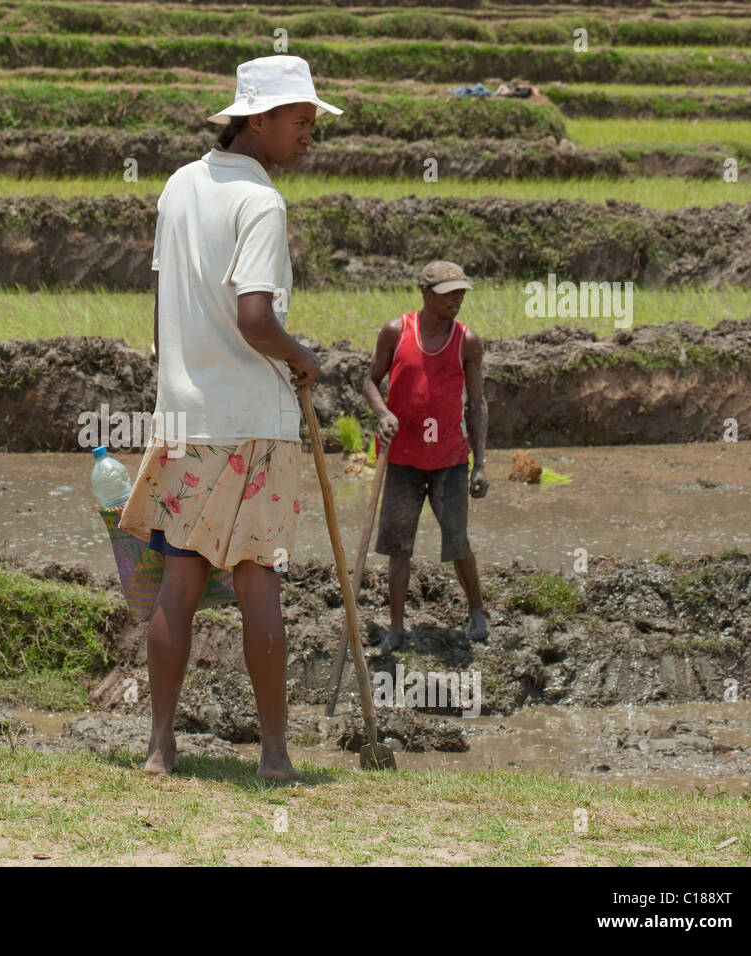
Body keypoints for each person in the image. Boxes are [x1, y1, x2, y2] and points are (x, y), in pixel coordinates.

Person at [119, 55, 339, 779]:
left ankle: (159, 747)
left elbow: (162, 311)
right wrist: (303, 358)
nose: (308, 136)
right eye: (300, 123)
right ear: (257, 119)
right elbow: (254, 318)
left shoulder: (180, 187)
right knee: (259, 587)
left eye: (311, 124)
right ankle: (275, 754)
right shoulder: (262, 202)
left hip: (183, 417)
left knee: (177, 585)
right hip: (251, 423)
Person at [363, 261, 490, 654]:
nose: (457, 299)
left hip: (450, 459)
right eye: (449, 293)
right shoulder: (396, 332)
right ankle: (397, 628)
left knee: (457, 541)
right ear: (425, 293)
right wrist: (384, 414)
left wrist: (480, 463)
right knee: (398, 547)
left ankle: (477, 611)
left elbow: (477, 403)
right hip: (402, 457)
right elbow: (369, 380)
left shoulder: (467, 341)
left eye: (461, 293)